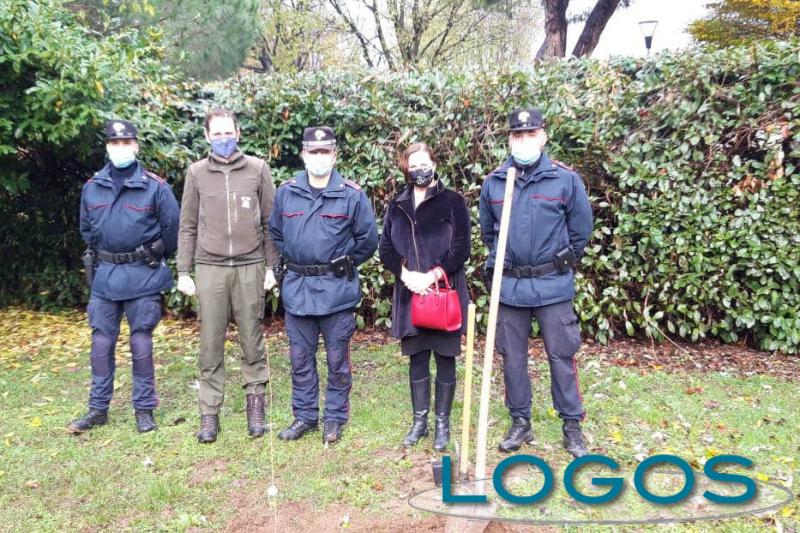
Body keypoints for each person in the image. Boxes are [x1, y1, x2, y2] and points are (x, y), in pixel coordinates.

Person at [478, 108, 593, 457]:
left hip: (552, 285)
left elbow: (581, 230)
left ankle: (571, 425)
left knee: (561, 355)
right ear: (509, 140)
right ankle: (520, 421)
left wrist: (557, 262)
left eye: (530, 134)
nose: (524, 141)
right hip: (511, 287)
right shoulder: (495, 182)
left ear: (542, 136)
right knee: (512, 357)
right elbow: (488, 233)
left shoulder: (564, 179)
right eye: (518, 135)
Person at [69, 119, 180, 434]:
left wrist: (151, 252)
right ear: (108, 147)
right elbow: (87, 230)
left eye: (126, 143)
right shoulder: (93, 187)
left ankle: (144, 409)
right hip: (106, 276)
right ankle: (97, 409)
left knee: (141, 341)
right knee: (100, 343)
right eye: (115, 143)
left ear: (136, 146)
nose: (121, 148)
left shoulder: (155, 186)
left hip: (143, 274)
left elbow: (172, 230)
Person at [269, 126, 378, 444]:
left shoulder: (352, 194)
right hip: (298, 287)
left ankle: (334, 418)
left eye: (324, 152)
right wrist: (299, 258)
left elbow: (368, 239)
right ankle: (305, 416)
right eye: (313, 152)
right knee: (300, 360)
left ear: (334, 155)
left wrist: (344, 262)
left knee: (337, 360)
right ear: (303, 155)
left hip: (336, 289)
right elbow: (277, 233)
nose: (319, 157)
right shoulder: (286, 192)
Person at [176, 108, 279, 443]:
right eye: (217, 134)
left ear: (238, 133)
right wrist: (183, 270)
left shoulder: (258, 169)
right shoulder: (196, 173)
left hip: (250, 266)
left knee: (252, 339)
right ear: (208, 136)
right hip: (210, 267)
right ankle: (209, 412)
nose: (223, 139)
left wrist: (271, 267)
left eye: (228, 132)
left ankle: (256, 404)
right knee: (210, 344)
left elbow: (271, 223)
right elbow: (188, 225)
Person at [378, 143, 471, 451]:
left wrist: (431, 276)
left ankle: (442, 423)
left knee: (445, 357)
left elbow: (462, 247)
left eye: (424, 163)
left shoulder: (453, 201)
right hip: (410, 295)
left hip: (443, 292)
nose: (420, 169)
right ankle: (420, 421)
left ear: (434, 164)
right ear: (406, 169)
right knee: (417, 357)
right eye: (413, 164)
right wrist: (406, 276)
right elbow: (385, 248)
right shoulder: (397, 205)